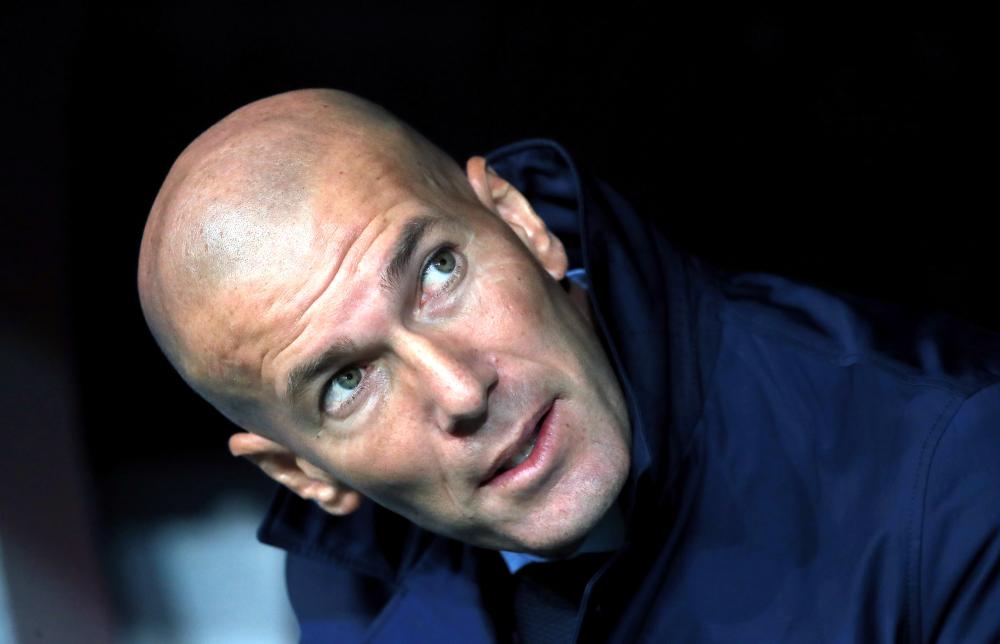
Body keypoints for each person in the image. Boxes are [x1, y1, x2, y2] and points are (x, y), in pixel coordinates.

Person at [138, 89, 1000, 643]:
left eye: (437, 272)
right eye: (346, 383)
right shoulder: (345, 580)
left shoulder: (953, 476)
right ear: (304, 473)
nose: (461, 389)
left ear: (521, 223)